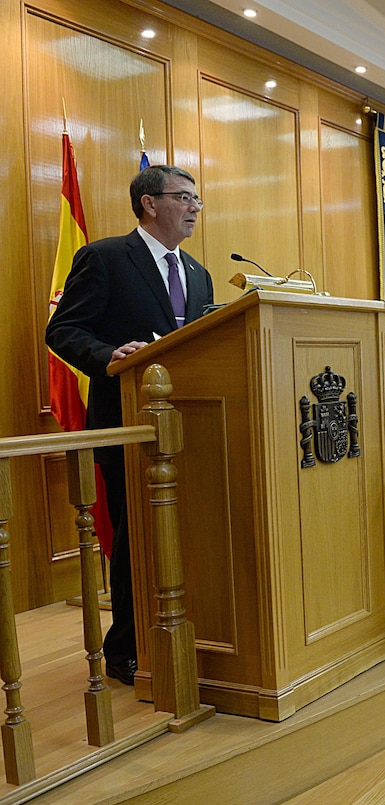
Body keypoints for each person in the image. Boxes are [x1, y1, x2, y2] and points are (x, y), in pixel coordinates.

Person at [45, 164, 214, 686]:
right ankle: (126, 649)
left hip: (190, 425)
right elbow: (63, 329)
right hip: (127, 422)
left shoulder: (199, 273)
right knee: (136, 537)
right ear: (149, 203)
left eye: (197, 200)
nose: (194, 208)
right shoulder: (106, 258)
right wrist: (109, 356)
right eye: (184, 198)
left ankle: (187, 635)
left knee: (186, 535)